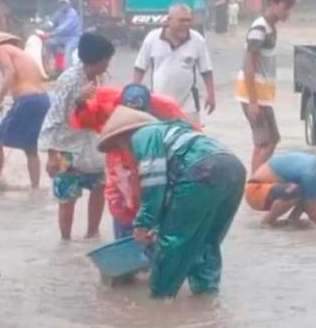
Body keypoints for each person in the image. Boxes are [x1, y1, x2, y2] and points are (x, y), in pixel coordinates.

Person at [97, 106, 246, 298]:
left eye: (119, 145)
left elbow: (154, 182)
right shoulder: (174, 132)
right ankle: (206, 297)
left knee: (172, 243)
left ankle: (161, 302)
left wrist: (144, 223)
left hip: (201, 171)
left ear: (123, 136)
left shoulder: (142, 136)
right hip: (233, 168)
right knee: (208, 240)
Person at [70, 83, 201, 239]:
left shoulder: (165, 109)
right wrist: (79, 102)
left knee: (158, 207)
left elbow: (190, 139)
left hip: (152, 163)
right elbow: (83, 121)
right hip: (120, 168)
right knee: (122, 209)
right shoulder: (105, 104)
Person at [38, 33, 115, 240]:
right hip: (68, 148)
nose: (108, 64)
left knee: (99, 189)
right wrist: (51, 155)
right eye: (106, 60)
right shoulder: (69, 80)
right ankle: (65, 240)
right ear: (96, 60)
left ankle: (92, 233)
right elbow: (55, 117)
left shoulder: (101, 78)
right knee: (67, 199)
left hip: (94, 144)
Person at [0, 29, 51, 190]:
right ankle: (35, 188)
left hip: (27, 100)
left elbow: (10, 73)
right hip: (41, 99)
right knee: (30, 148)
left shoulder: (0, 49)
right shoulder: (19, 52)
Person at [235, 0, 297, 172]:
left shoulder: (270, 28)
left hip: (261, 96)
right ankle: (255, 184)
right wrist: (253, 102)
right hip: (253, 95)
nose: (288, 13)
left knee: (268, 141)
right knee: (267, 142)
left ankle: (255, 181)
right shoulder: (259, 29)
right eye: (285, 7)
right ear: (272, 4)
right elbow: (249, 65)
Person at [133, 3, 216, 121]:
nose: (185, 24)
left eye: (188, 20)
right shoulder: (152, 38)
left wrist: (211, 95)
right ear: (168, 20)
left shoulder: (197, 40)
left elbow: (206, 70)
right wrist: (134, 91)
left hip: (188, 106)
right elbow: (140, 67)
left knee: (190, 137)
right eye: (181, 21)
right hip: (158, 103)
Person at [48, 0, 82, 69]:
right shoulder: (58, 13)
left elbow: (64, 28)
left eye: (65, 3)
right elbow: (52, 21)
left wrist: (52, 33)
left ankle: (67, 71)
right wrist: (46, 26)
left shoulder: (72, 14)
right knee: (50, 43)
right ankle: (57, 66)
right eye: (61, 4)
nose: (63, 5)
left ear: (69, 4)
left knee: (68, 51)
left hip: (73, 38)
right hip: (61, 37)